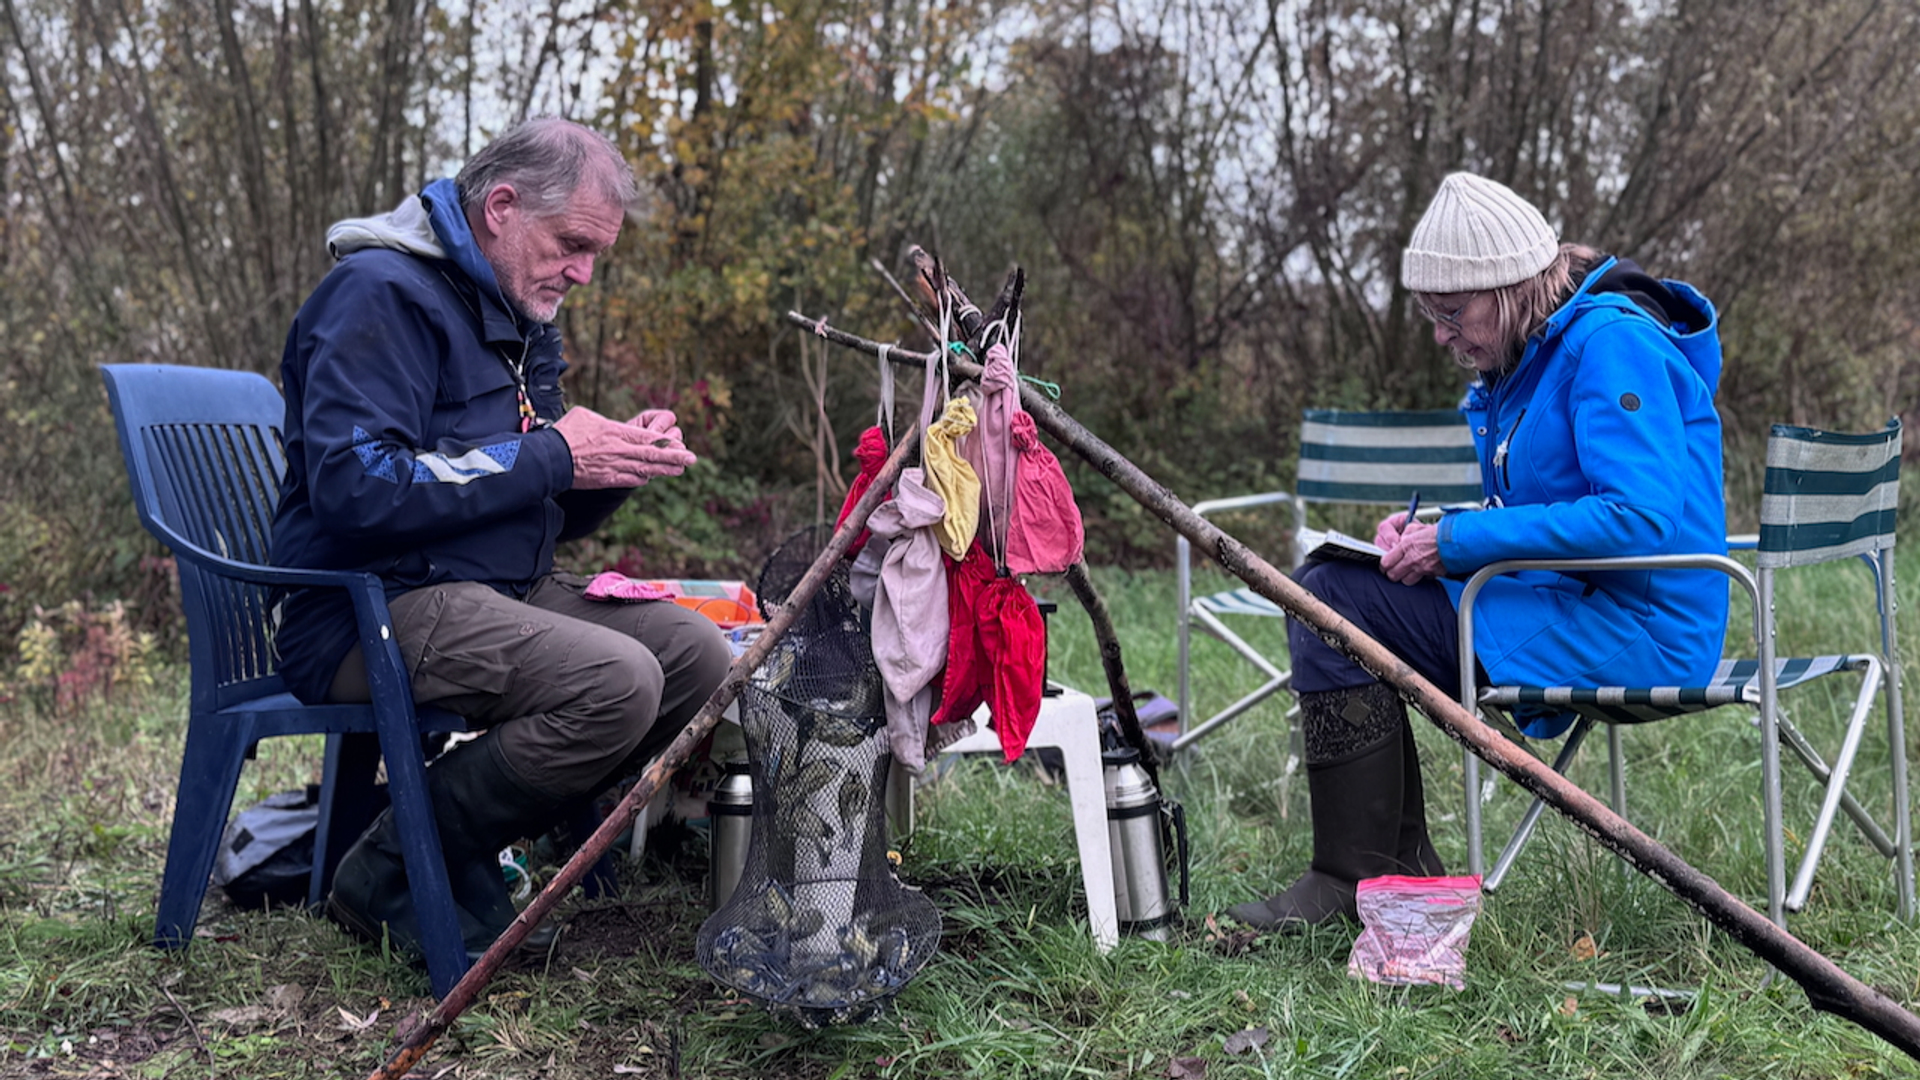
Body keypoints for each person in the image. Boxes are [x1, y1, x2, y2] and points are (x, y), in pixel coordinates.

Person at [271, 118, 733, 961]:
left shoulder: (515, 313)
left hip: (488, 587)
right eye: (572, 244)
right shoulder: (379, 294)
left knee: (698, 658)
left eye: (598, 252)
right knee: (619, 682)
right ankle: (390, 869)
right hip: (368, 603)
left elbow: (520, 488)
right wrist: (555, 454)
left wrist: (608, 466)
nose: (584, 272)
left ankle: (467, 844)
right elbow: (354, 487)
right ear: (502, 206)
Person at [1229, 171, 1727, 930]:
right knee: (1333, 581)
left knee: (1333, 599)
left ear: (1510, 286)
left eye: (1452, 312)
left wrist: (1457, 541)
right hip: (1579, 604)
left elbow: (1639, 516)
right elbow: (1541, 510)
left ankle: (1353, 879)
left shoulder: (1610, 345)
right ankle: (1390, 877)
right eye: (1431, 315)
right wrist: (1437, 532)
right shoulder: (1523, 362)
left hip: (1643, 630)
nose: (1439, 334)